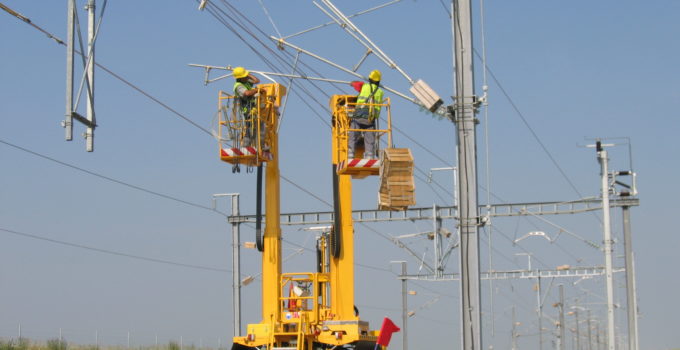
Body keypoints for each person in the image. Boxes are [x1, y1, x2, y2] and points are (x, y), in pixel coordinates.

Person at [348, 69, 384, 159]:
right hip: (371, 118)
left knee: (353, 132)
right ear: (378, 81)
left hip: (360, 115)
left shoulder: (364, 86)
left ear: (369, 79)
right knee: (370, 136)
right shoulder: (380, 92)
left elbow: (354, 83)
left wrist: (351, 83)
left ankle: (351, 153)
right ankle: (369, 155)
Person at [232, 66, 261, 147]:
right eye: (244, 76)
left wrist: (248, 74)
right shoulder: (238, 86)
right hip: (247, 109)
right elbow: (247, 93)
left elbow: (257, 81)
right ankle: (245, 145)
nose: (246, 77)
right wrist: (256, 90)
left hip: (252, 107)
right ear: (240, 78)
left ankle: (258, 144)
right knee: (249, 127)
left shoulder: (246, 82)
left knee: (257, 126)